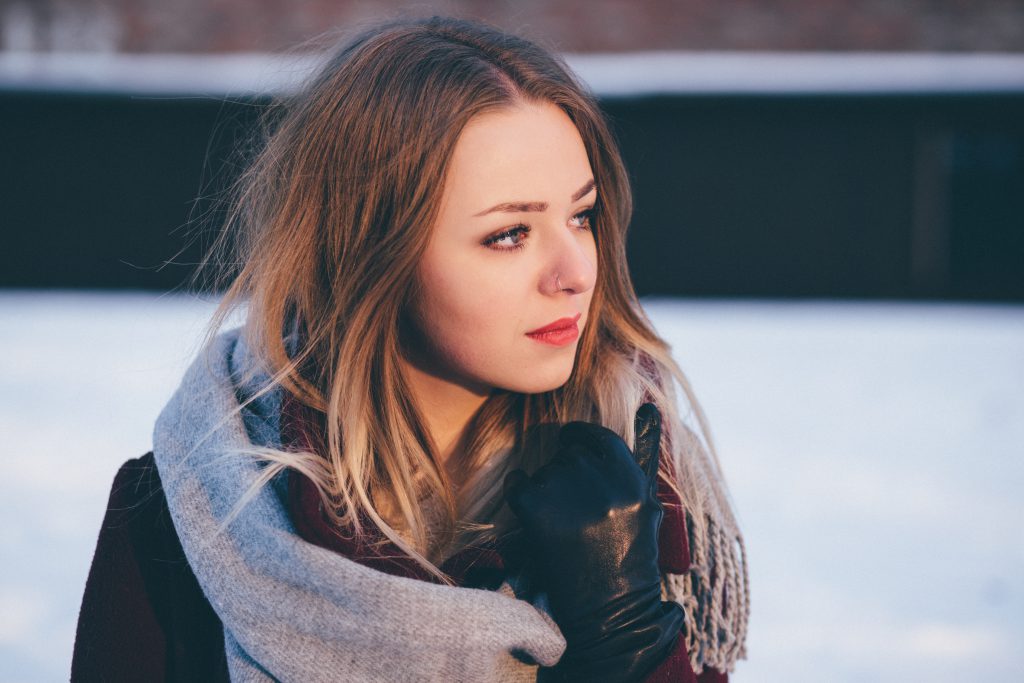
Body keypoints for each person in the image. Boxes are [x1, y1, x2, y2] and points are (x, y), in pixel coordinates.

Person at [72, 15, 749, 682]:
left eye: (581, 215)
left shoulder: (637, 492)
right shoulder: (187, 513)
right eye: (510, 233)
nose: (574, 272)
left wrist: (628, 641)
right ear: (374, 256)